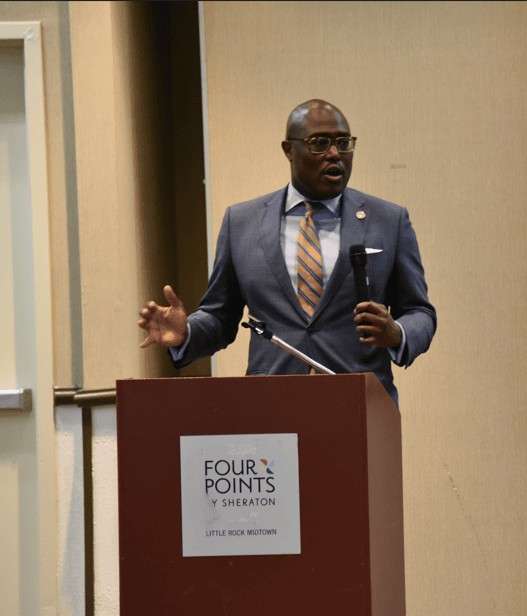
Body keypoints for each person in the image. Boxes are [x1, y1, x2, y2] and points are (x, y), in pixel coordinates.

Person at [138, 100, 436, 406]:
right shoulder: (241, 222)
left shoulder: (388, 220)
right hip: (270, 406)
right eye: (319, 143)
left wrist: (397, 333)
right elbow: (220, 316)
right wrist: (187, 332)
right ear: (288, 149)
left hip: (361, 405)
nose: (335, 154)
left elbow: (420, 312)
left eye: (344, 143)